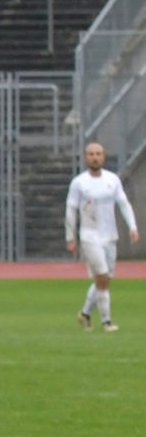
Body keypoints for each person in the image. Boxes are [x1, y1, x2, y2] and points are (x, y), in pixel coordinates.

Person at [67, 141, 139, 333]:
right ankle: (106, 322)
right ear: (85, 157)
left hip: (110, 236)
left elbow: (124, 204)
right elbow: (71, 210)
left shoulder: (112, 180)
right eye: (91, 154)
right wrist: (70, 236)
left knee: (104, 279)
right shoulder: (79, 183)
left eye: (98, 154)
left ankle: (85, 314)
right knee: (102, 275)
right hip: (89, 236)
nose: (95, 157)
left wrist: (132, 226)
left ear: (104, 156)